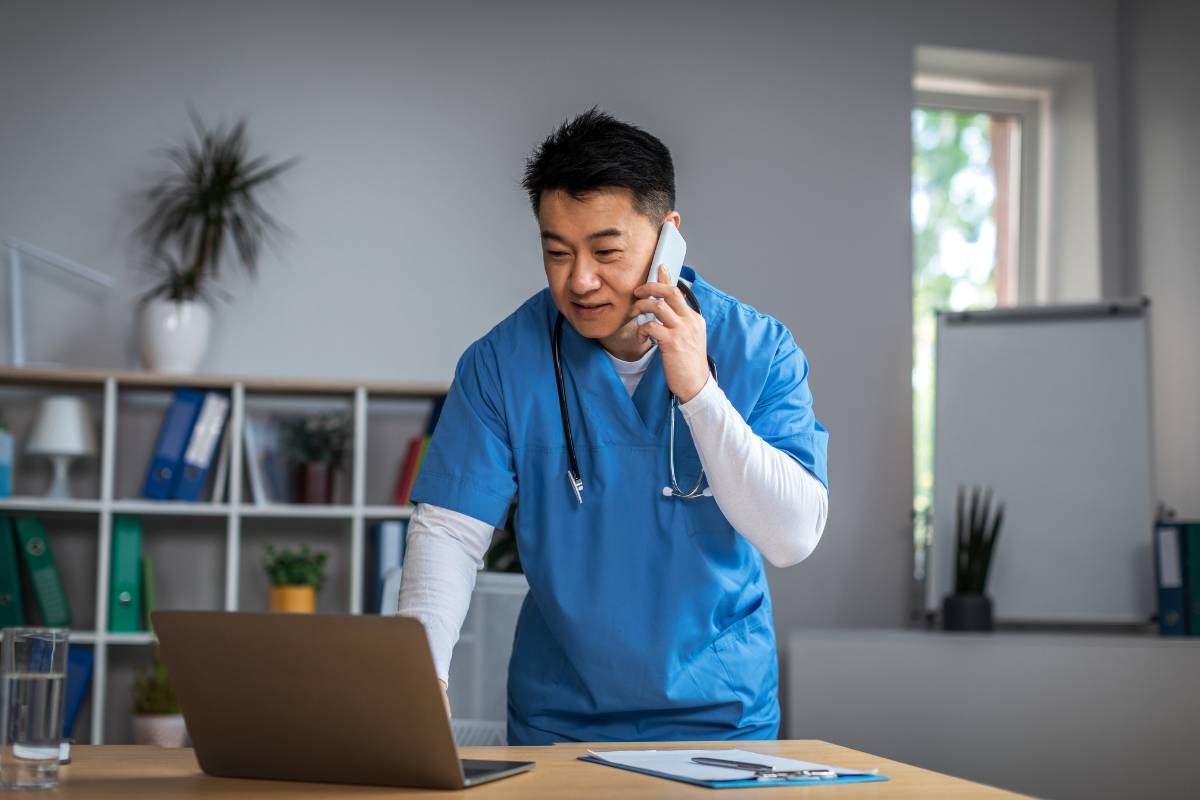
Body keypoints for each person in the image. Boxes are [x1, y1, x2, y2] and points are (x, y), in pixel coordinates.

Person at [398, 108, 829, 745]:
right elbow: (450, 531)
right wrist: (421, 678)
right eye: (556, 252)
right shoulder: (501, 363)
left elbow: (793, 537)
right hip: (560, 719)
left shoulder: (760, 351)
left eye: (606, 251)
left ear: (667, 238)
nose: (580, 280)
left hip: (719, 720)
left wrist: (699, 392)